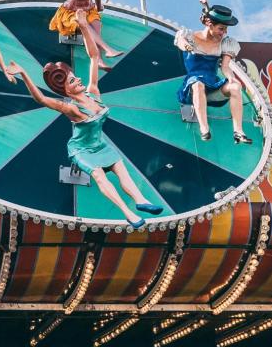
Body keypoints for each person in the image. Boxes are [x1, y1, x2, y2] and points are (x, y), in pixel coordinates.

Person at [8, 61, 163, 228]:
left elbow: (94, 57)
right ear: (67, 90)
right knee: (99, 176)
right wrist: (23, 73)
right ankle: (128, 213)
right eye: (72, 81)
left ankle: (141, 200)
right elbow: (41, 99)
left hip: (101, 145)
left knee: (121, 170)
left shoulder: (94, 93)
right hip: (81, 149)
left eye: (75, 77)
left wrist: (90, 42)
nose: (79, 80)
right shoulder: (72, 109)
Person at [174, 0, 252, 144]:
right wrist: (187, 46)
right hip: (193, 87)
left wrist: (231, 78)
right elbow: (181, 42)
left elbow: (225, 67)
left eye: (225, 29)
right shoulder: (189, 36)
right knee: (198, 83)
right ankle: (204, 128)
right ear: (209, 24)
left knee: (235, 86)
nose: (224, 32)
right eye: (221, 28)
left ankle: (238, 131)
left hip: (212, 87)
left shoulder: (225, 43)